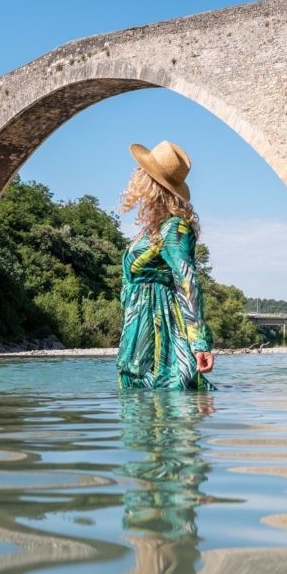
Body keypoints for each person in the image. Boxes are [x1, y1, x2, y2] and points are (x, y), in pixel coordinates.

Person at [116, 140, 216, 390]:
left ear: (150, 182)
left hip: (161, 339)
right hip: (138, 339)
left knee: (168, 406)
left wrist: (199, 344)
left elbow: (187, 282)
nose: (135, 176)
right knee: (140, 417)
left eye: (142, 171)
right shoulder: (152, 230)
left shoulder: (174, 228)